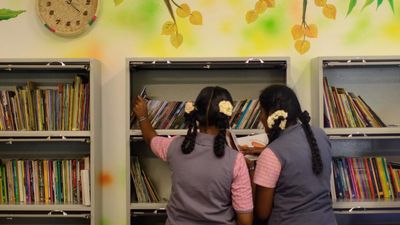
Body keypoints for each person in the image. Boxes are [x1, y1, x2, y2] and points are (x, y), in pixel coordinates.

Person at [133, 86, 253, 225]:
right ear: (228, 117)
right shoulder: (236, 160)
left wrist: (142, 116)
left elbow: (151, 139)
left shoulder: (174, 146)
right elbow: (245, 220)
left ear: (195, 113)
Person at [251, 85, 337, 225]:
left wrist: (253, 169)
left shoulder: (272, 154)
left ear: (271, 115)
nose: (260, 117)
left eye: (261, 111)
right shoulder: (320, 135)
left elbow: (262, 213)